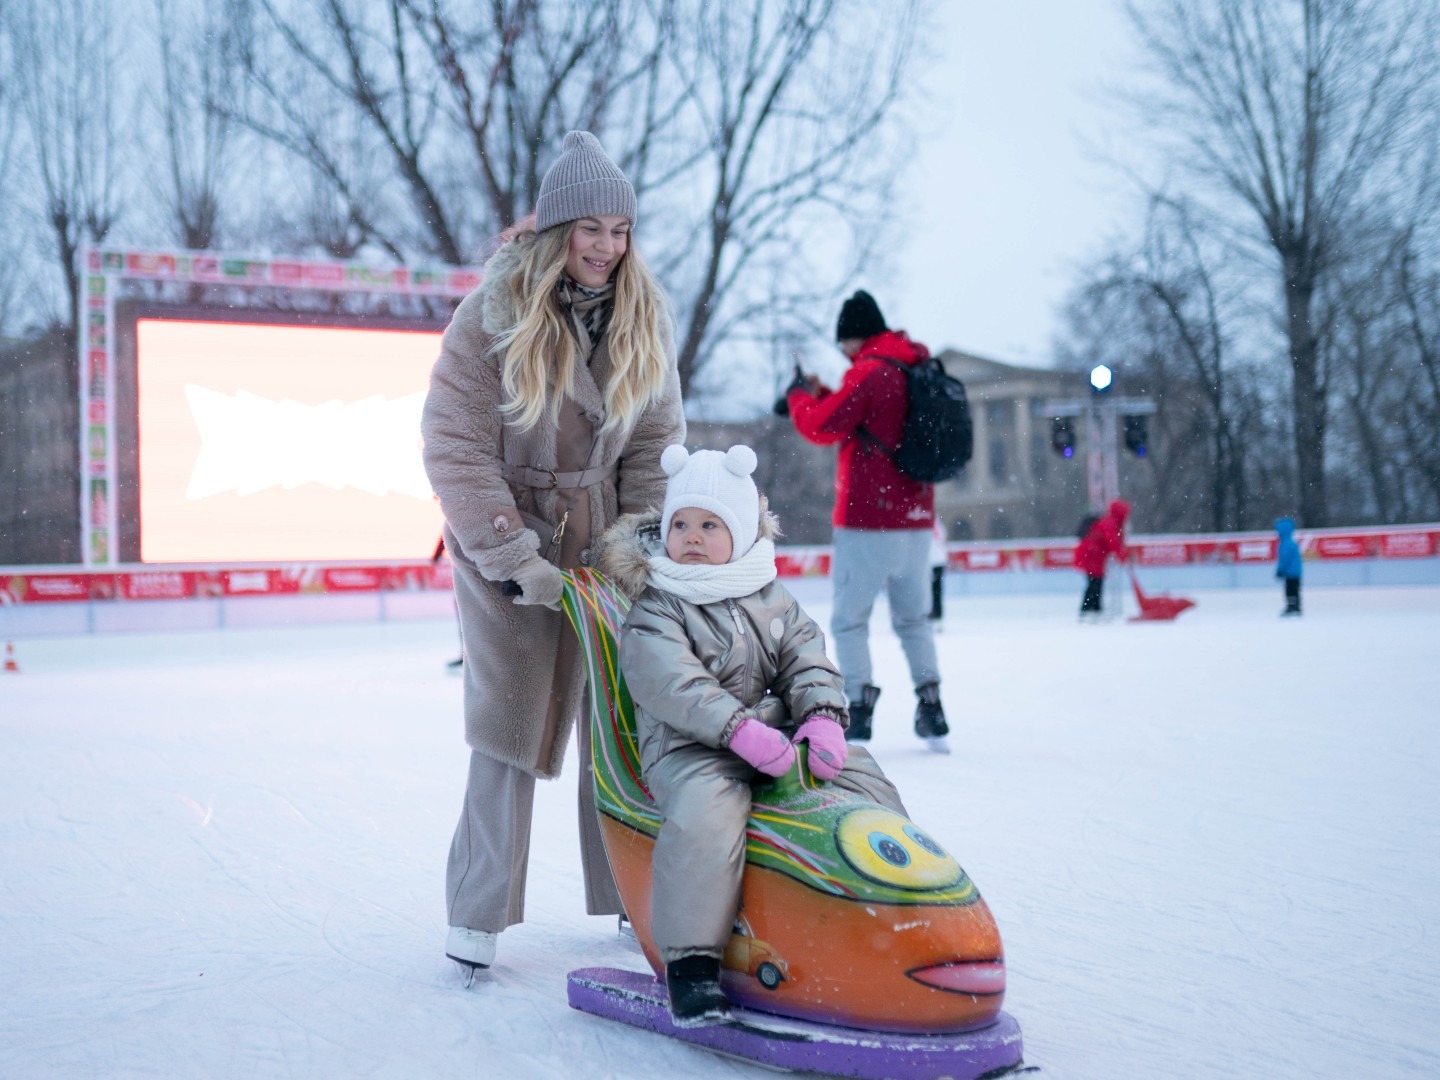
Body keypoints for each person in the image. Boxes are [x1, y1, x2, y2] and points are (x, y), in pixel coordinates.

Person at [420, 130, 686, 974]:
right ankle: (478, 915)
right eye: (590, 228)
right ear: (553, 230)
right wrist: (511, 552)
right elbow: (455, 445)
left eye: (620, 229)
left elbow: (655, 444)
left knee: (621, 716)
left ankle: (627, 892)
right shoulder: (490, 314)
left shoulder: (644, 316)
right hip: (509, 534)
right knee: (510, 722)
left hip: (604, 536)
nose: (607, 247)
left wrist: (638, 546)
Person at [602, 444, 907, 1026]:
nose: (692, 536)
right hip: (691, 750)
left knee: (864, 776)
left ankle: (890, 907)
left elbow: (806, 658)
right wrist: (737, 730)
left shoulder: (769, 595)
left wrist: (820, 716)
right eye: (681, 525)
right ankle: (692, 965)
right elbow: (672, 682)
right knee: (707, 819)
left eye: (710, 525)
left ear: (740, 533)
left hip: (775, 739)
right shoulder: (659, 606)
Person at [776, 290, 948, 752]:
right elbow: (871, 417)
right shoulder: (912, 365)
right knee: (914, 618)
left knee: (851, 620)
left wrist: (797, 397)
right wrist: (827, 393)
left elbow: (821, 425)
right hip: (916, 518)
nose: (843, 354)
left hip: (868, 520)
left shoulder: (870, 372)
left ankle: (859, 706)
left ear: (855, 337)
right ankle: (931, 704)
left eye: (844, 344)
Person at [1075, 500, 1131, 620]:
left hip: (1093, 556)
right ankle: (1091, 609)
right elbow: (1112, 542)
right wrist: (1122, 555)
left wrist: (1121, 554)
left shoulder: (1110, 521)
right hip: (1091, 556)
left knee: (1094, 582)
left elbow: (1113, 542)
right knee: (1095, 583)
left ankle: (1092, 609)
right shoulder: (1110, 523)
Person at [1275, 517, 1302, 616]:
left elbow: (1284, 559)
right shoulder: (1292, 542)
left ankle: (1292, 607)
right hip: (1296, 572)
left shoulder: (1285, 544)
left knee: (1290, 590)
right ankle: (1296, 606)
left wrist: (1280, 570)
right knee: (1295, 590)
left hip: (1290, 573)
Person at [928, 519, 948, 625]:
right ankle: (937, 614)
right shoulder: (938, 524)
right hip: (938, 561)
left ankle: (934, 614)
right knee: (937, 590)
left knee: (932, 590)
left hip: (932, 561)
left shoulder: (929, 523)